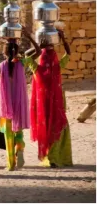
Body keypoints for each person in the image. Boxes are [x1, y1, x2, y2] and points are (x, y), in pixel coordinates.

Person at [24, 29, 73, 168]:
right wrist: (62, 38)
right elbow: (68, 53)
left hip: (42, 108)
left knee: (46, 130)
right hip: (57, 105)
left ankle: (49, 157)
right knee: (59, 128)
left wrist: (35, 42)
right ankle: (56, 157)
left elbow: (29, 57)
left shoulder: (36, 69)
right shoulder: (57, 67)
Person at [0, 30, 39, 171]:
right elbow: (38, 52)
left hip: (6, 106)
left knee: (8, 136)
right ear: (17, 52)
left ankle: (10, 164)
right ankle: (20, 149)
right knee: (18, 132)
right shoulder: (22, 63)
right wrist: (29, 36)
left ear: (4, 53)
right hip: (20, 105)